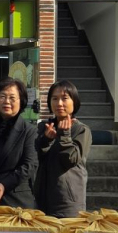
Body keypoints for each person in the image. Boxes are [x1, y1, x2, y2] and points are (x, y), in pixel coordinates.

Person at [35, 79, 92, 217]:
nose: (59, 103)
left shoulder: (81, 130)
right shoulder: (44, 127)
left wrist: (65, 135)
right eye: (54, 99)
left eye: (64, 98)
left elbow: (70, 159)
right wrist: (46, 140)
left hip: (68, 202)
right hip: (41, 199)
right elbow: (36, 158)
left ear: (74, 101)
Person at [0, 77, 38, 208]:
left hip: (16, 201)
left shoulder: (30, 131)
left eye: (12, 98)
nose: (6, 101)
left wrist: (4, 184)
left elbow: (29, 165)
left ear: (21, 101)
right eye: (2, 96)